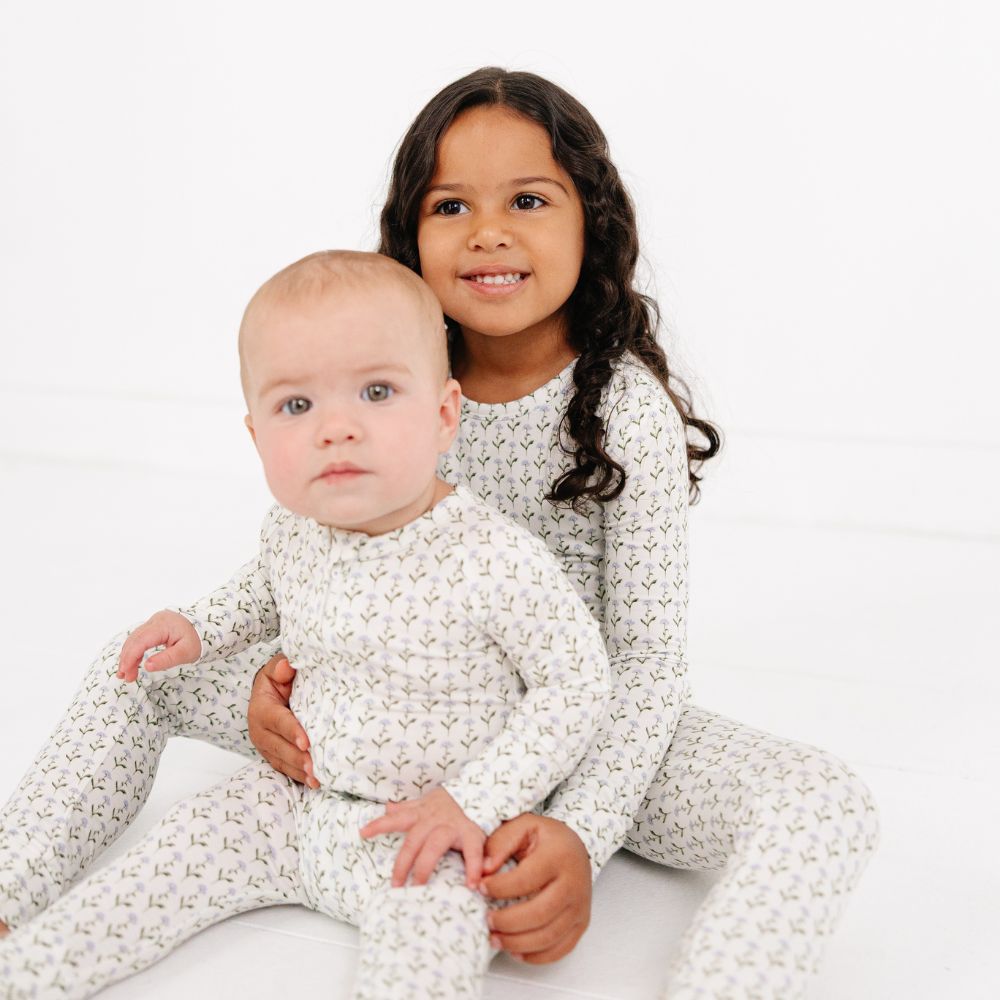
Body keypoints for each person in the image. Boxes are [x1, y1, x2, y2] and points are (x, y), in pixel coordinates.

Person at [0, 68, 880, 999]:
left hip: (568, 726)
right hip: (373, 708)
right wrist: (277, 680)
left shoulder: (623, 412)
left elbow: (645, 667)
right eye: (451, 205)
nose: (488, 232)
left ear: (592, 223)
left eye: (528, 200)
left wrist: (580, 828)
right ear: (410, 234)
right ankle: (12, 888)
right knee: (138, 667)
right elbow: (316, 554)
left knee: (819, 798)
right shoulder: (378, 366)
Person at [0, 249, 611, 999]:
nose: (337, 429)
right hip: (292, 803)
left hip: (424, 834)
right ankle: (18, 941)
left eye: (377, 392)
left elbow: (576, 685)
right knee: (162, 863)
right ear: (257, 437)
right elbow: (261, 591)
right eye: (297, 407)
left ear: (444, 415)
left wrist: (475, 801)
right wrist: (196, 625)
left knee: (429, 949)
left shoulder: (493, 558)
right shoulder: (293, 527)